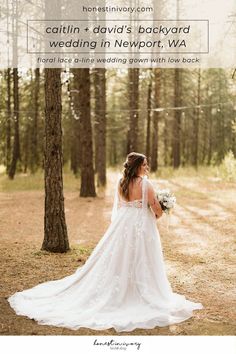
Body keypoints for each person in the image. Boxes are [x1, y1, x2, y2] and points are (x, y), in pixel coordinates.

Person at [8, 152, 203, 332]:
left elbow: (122, 205)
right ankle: (138, 291)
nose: (147, 167)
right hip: (141, 227)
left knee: (118, 256)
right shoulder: (146, 185)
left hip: (122, 225)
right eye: (144, 164)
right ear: (137, 166)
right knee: (142, 257)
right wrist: (163, 209)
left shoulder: (120, 182)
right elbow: (156, 211)